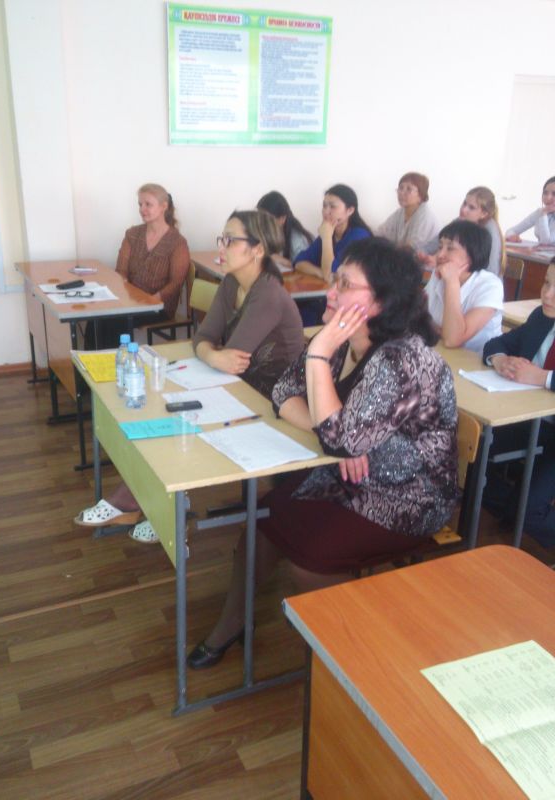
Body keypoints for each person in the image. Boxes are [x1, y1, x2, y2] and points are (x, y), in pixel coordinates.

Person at [187, 238, 459, 669]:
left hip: (408, 497)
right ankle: (234, 622)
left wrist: (320, 368)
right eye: (335, 281)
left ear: (382, 301)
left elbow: (341, 440)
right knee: (262, 519)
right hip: (346, 477)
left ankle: (358, 655)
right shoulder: (343, 341)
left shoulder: (402, 359)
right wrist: (334, 430)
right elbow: (284, 393)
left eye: (345, 285)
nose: (331, 293)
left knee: (309, 560)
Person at [75, 209, 305, 541]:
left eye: (230, 240)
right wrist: (212, 354)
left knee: (187, 416)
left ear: (257, 249)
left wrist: (214, 354)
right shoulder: (231, 283)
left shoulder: (268, 294)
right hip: (239, 389)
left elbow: (234, 355)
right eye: (221, 238)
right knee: (174, 407)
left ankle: (156, 505)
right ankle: (153, 502)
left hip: (275, 403)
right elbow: (203, 338)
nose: (221, 247)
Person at [482, 258, 555, 547]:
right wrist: (501, 360)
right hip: (529, 421)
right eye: (547, 283)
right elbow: (497, 343)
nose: (547, 294)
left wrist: (543, 378)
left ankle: (519, 511)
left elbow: (542, 378)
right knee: (473, 462)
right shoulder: (541, 317)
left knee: (529, 512)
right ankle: (513, 508)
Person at [94, 183, 190, 348]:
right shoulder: (132, 234)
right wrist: (125, 294)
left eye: (148, 204)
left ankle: (117, 363)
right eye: (140, 204)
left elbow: (176, 283)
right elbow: (121, 271)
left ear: (163, 206)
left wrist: (150, 300)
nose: (142, 209)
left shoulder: (178, 242)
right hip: (129, 301)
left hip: (158, 306)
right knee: (96, 319)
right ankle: (90, 364)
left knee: (114, 322)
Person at [424, 219, 503, 353]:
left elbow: (452, 339)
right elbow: (418, 318)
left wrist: (452, 283)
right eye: (440, 247)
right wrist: (438, 330)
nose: (440, 255)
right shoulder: (439, 275)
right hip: (442, 353)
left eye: (450, 248)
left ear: (472, 254)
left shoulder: (490, 285)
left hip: (476, 361)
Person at [294, 184, 372, 283]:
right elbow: (299, 262)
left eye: (332, 206)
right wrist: (321, 273)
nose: (326, 212)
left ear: (350, 210)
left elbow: (331, 272)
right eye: (324, 206)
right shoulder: (329, 232)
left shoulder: (359, 236)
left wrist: (326, 237)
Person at [421, 186, 504, 276]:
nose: (464, 210)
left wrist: (440, 263)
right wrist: (423, 255)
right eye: (464, 203)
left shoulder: (490, 232)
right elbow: (432, 245)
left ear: (484, 214)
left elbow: (491, 272)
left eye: (471, 208)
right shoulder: (460, 221)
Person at [377, 171, 440, 252]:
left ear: (421, 196)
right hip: (402, 256)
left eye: (409, 189)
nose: (402, 193)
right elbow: (381, 233)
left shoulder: (425, 216)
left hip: (419, 258)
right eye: (401, 188)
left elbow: (411, 248)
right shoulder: (400, 212)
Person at [256, 190, 313, 268]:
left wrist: (281, 260)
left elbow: (306, 269)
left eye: (266, 220)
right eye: (259, 218)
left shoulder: (297, 239)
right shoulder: (268, 234)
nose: (261, 223)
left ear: (282, 219)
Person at [505, 176, 555, 244]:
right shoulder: (540, 212)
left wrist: (544, 215)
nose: (548, 197)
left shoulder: (543, 212)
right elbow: (511, 231)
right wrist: (511, 236)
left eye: (554, 194)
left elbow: (546, 242)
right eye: (545, 193)